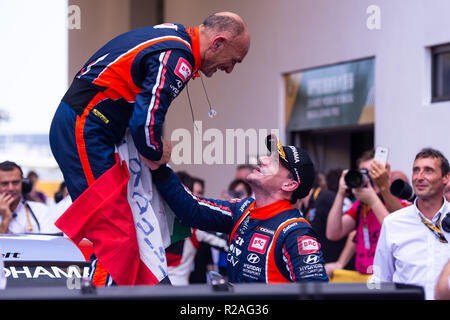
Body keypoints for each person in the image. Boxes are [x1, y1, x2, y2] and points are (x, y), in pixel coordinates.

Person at [49, 12, 250, 285]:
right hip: (85, 126)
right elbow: (145, 128)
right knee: (114, 234)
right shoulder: (177, 55)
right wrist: (159, 151)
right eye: (234, 61)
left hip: (91, 126)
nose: (229, 70)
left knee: (125, 231)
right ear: (218, 42)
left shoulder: (174, 38)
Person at [143, 134, 328, 283]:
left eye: (275, 161)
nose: (262, 159)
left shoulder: (296, 232)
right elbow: (193, 209)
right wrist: (159, 168)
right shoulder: (243, 209)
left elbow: (316, 293)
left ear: (289, 184)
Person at [372, 148, 450, 300]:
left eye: (428, 170)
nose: (419, 177)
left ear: (446, 178)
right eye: (416, 170)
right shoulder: (393, 223)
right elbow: (380, 279)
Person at [326, 149, 408, 276]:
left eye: (373, 172)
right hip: (365, 280)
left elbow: (396, 231)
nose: (369, 178)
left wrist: (374, 200)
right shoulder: (361, 205)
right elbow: (333, 233)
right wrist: (341, 193)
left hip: (388, 280)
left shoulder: (399, 203)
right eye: (364, 173)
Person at [0, 161, 53, 234]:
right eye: (4, 184)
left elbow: (49, 244)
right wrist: (6, 219)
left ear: (24, 184)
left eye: (15, 183)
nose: (11, 188)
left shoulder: (41, 211)